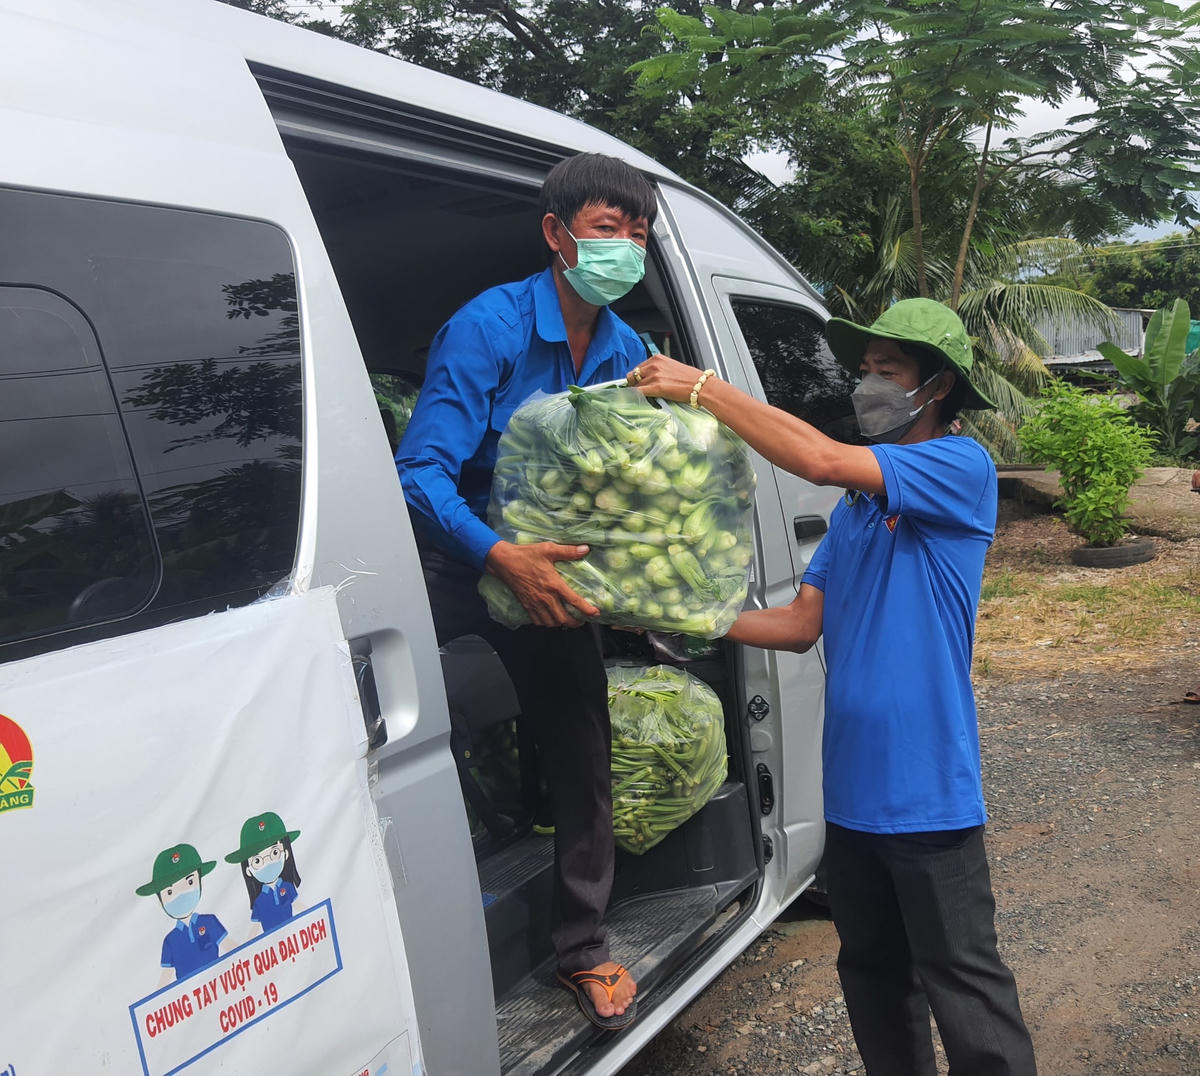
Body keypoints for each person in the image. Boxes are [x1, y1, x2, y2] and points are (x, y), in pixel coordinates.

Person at [632, 298, 1037, 1074]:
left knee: (964, 983)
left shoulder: (961, 467)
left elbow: (819, 459)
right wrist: (686, 614)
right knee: (873, 976)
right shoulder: (856, 510)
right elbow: (798, 624)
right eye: (864, 369)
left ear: (937, 386)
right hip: (850, 795)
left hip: (927, 792)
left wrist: (703, 388)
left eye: (889, 369)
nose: (867, 383)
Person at [395, 152, 654, 1030]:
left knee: (581, 743)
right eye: (609, 229)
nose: (626, 249)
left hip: (556, 568)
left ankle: (580, 946)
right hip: (459, 556)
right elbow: (420, 473)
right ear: (557, 233)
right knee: (407, 732)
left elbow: (639, 470)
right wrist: (497, 554)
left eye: (639, 235)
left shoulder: (628, 350)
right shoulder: (491, 326)